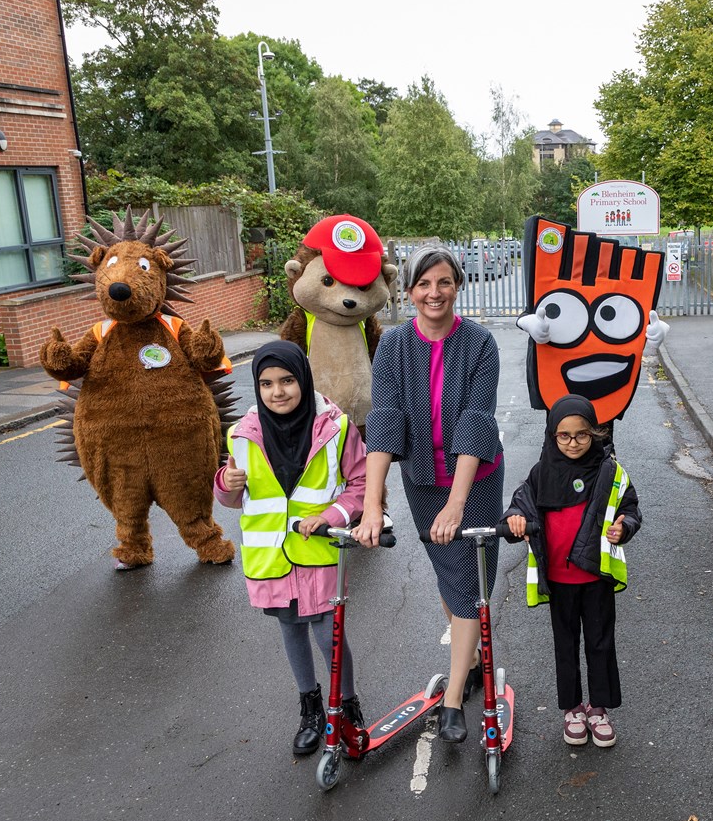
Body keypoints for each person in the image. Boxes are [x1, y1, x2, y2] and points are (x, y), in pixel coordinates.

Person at [353, 244, 505, 744]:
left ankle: (457, 696)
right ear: (409, 290)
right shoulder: (394, 345)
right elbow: (386, 421)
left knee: (467, 582)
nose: (433, 293)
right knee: (449, 571)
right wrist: (373, 503)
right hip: (421, 479)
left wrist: (458, 502)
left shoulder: (480, 343)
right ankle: (474, 656)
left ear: (457, 285)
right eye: (423, 284)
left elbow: (475, 421)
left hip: (474, 483)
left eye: (443, 282)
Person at [213, 341, 368, 756]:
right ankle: (311, 708)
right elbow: (234, 495)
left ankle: (346, 705)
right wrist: (224, 486)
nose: (277, 392)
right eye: (266, 383)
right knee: (291, 629)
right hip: (270, 558)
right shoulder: (241, 434)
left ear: (304, 379)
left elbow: (361, 484)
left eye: (287, 381)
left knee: (327, 635)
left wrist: (333, 516)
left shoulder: (335, 428)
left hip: (316, 551)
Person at [505, 394, 642, 748]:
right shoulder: (540, 473)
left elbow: (630, 508)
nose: (573, 442)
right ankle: (572, 709)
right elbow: (517, 505)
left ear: (595, 433)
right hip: (559, 580)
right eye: (563, 436)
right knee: (565, 645)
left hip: (596, 576)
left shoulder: (610, 471)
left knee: (600, 642)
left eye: (581, 434)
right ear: (551, 436)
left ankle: (599, 708)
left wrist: (624, 526)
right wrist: (514, 519)